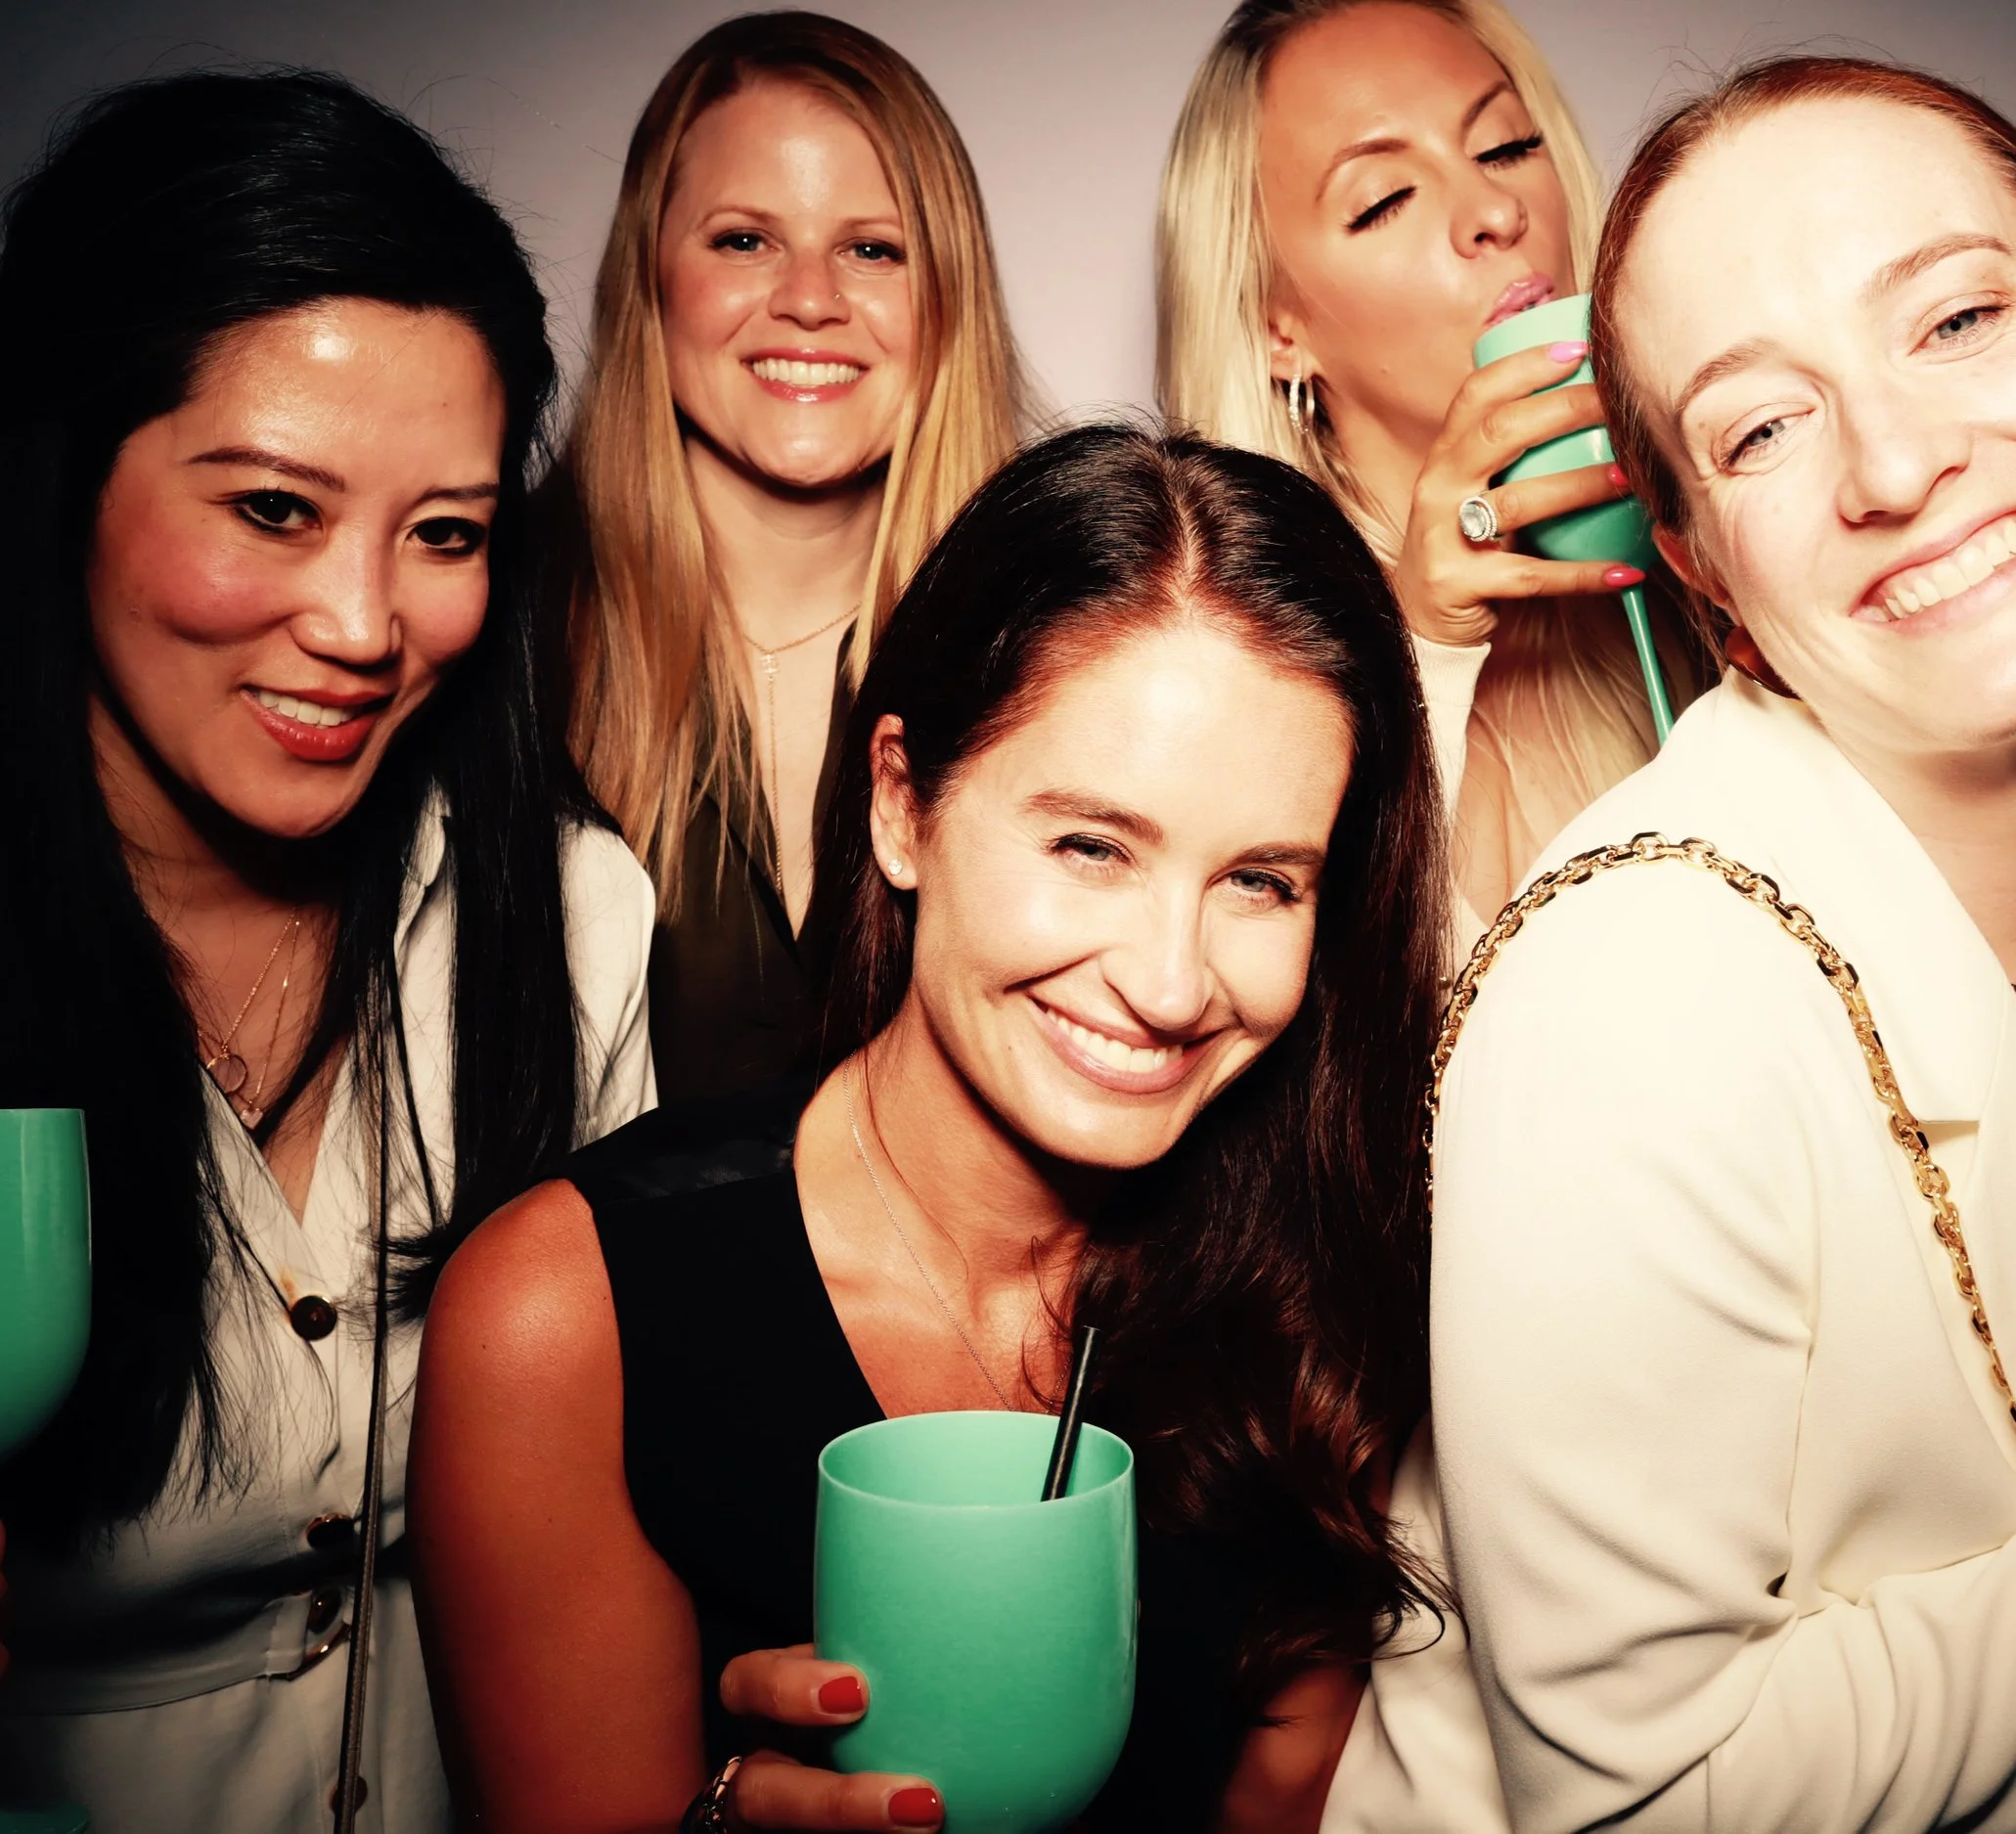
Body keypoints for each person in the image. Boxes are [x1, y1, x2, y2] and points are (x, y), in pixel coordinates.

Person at [1373, 53, 2016, 1834]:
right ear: (1708, 577)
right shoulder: (1613, 992)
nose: (1894, 464)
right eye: (1761, 429)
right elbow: (1635, 1798)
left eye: (1954, 320)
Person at [411, 424, 1450, 1832]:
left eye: (1261, 880)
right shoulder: (569, 1312)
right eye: (1091, 846)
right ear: (903, 804)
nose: (1168, 983)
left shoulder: (1313, 1286)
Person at [0, 72, 654, 1834]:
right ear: (64, 474)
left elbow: (626, 1514)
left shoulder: (574, 919)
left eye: (444, 535)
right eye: (276, 510)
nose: (366, 626)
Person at [560, 11, 1028, 1105]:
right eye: (744, 241)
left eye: (872, 250)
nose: (810, 300)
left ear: (947, 294)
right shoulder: (492, 627)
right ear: (648, 275)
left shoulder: (1049, 631)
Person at [1159, 0, 1703, 936]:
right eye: (1384, 200)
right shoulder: (1236, 675)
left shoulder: (1701, 571)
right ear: (1278, 330)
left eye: (1505, 146)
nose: (1497, 213)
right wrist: (1423, 661)